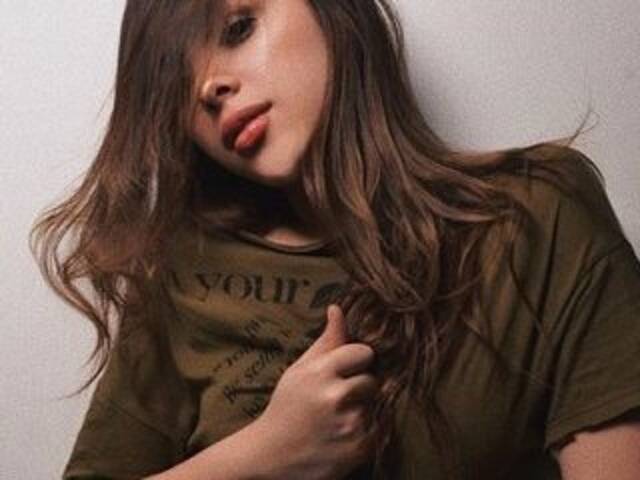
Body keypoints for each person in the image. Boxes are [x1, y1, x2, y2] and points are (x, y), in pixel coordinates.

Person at [29, 1, 640, 479]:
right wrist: (265, 453)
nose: (207, 86)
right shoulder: (182, 277)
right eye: (177, 85)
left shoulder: (536, 218)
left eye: (237, 28)